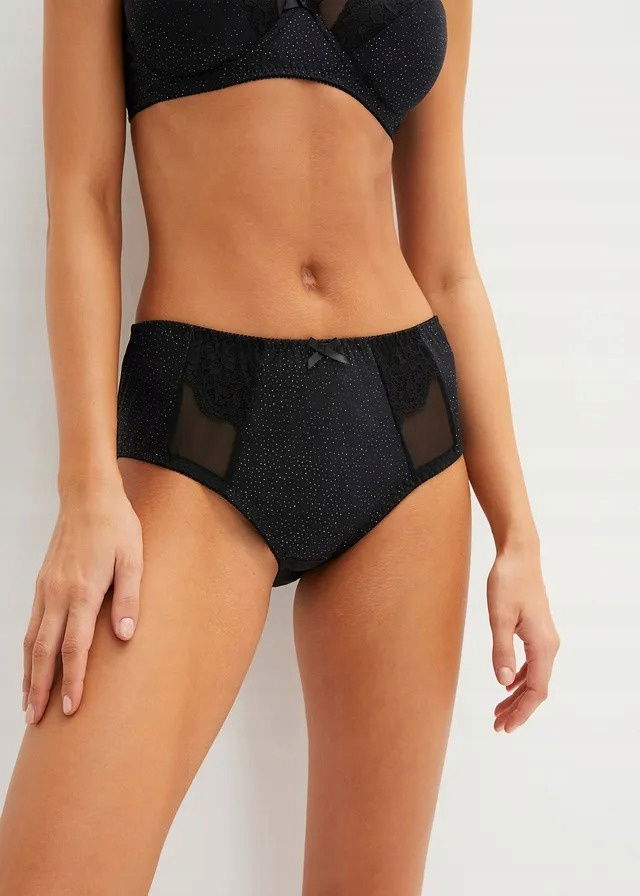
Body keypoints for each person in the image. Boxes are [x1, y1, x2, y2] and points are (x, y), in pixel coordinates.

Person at [0, 1, 560, 893]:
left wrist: (518, 534)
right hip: (198, 428)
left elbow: (449, 265)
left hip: (404, 434)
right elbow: (83, 204)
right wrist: (86, 487)